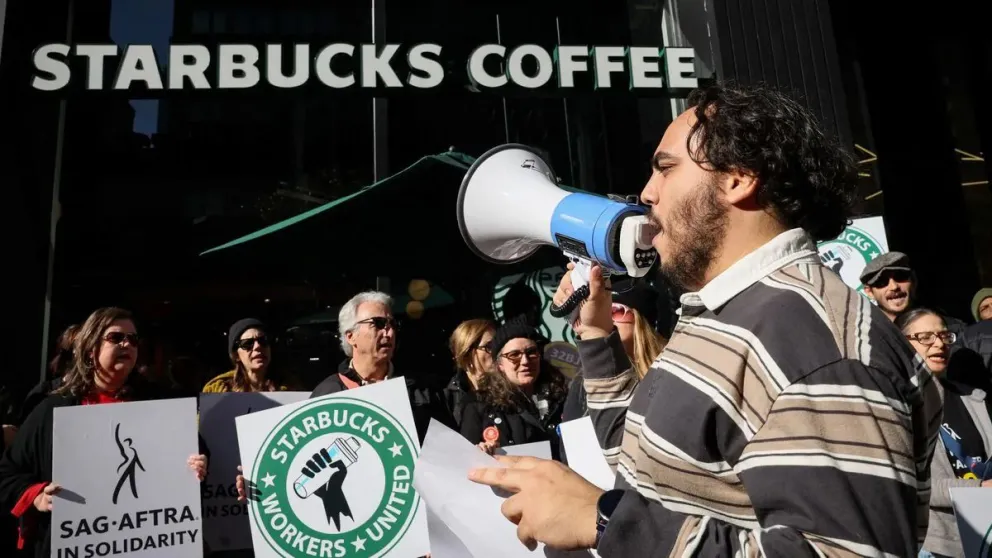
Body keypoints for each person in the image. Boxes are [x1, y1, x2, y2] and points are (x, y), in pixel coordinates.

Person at [467, 81, 942, 557]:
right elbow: (644, 459)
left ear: (739, 176)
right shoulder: (730, 316)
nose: (647, 193)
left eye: (666, 169)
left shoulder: (814, 343)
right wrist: (595, 335)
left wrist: (606, 520)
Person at [0, 307, 209, 558]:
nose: (127, 344)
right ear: (91, 349)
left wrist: (198, 463)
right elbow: (8, 473)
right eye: (116, 338)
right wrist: (37, 496)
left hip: (147, 543)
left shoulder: (160, 404)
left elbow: (197, 453)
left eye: (132, 339)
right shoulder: (54, 408)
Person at [896, 309, 991, 558]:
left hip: (986, 530)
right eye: (925, 337)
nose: (939, 344)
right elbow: (910, 482)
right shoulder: (896, 406)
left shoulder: (974, 398)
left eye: (943, 335)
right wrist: (979, 488)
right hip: (937, 545)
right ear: (901, 344)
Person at [561, 281, 667, 426]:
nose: (605, 320)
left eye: (615, 311)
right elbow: (571, 443)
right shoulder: (583, 383)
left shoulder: (668, 370)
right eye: (600, 313)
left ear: (641, 320)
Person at [460, 319, 568, 456]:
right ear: (500, 364)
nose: (525, 361)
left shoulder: (562, 395)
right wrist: (481, 451)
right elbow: (467, 460)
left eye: (531, 352)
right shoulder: (479, 405)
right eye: (514, 355)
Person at [860, 251, 966, 334]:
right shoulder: (864, 337)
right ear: (869, 292)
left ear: (914, 280)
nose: (894, 286)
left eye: (900, 277)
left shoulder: (952, 329)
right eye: (882, 282)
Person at [202, 318, 298, 393]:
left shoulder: (291, 387)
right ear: (236, 355)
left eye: (263, 340)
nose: (257, 347)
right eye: (247, 343)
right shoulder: (218, 390)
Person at [444, 318, 496, 426]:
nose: (497, 351)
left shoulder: (509, 392)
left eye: (498, 344)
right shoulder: (448, 400)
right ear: (467, 353)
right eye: (489, 346)